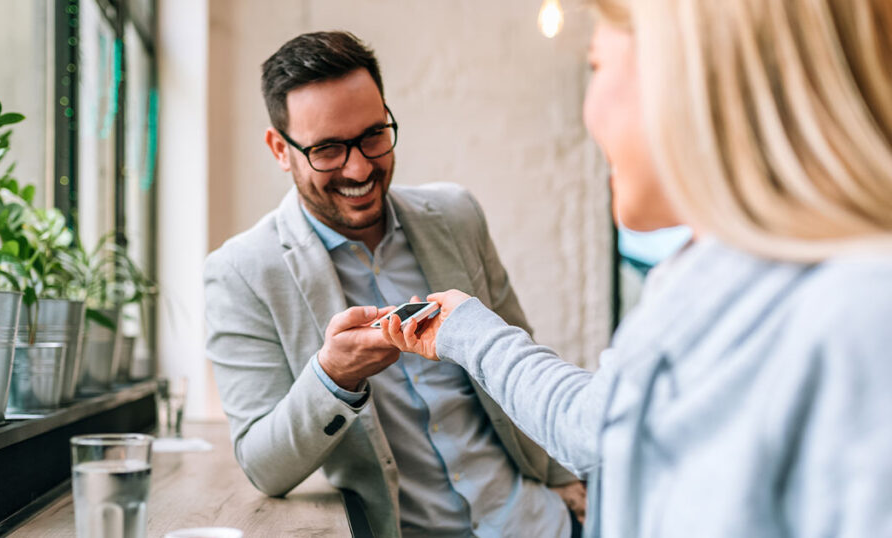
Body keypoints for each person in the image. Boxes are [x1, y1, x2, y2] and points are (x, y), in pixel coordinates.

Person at [382, 0, 892, 536]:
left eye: (597, 65)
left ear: (686, 74)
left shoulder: (861, 314)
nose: (588, 110)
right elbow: (594, 427)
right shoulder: (693, 283)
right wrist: (464, 328)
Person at [203, 31, 586, 538]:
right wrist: (333, 377)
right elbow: (262, 466)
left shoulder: (457, 215)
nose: (359, 168)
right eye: (328, 150)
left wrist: (565, 480)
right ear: (280, 148)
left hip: (538, 521)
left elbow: (519, 354)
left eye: (373, 136)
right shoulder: (241, 273)